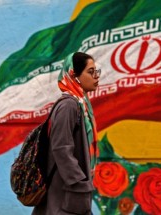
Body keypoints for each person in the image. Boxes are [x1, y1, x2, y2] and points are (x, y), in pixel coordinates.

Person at [32, 52, 100, 215]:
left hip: (70, 191)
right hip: (66, 191)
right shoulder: (69, 106)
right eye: (90, 72)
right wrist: (79, 181)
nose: (96, 76)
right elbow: (61, 148)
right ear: (73, 75)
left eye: (96, 71)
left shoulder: (80, 105)